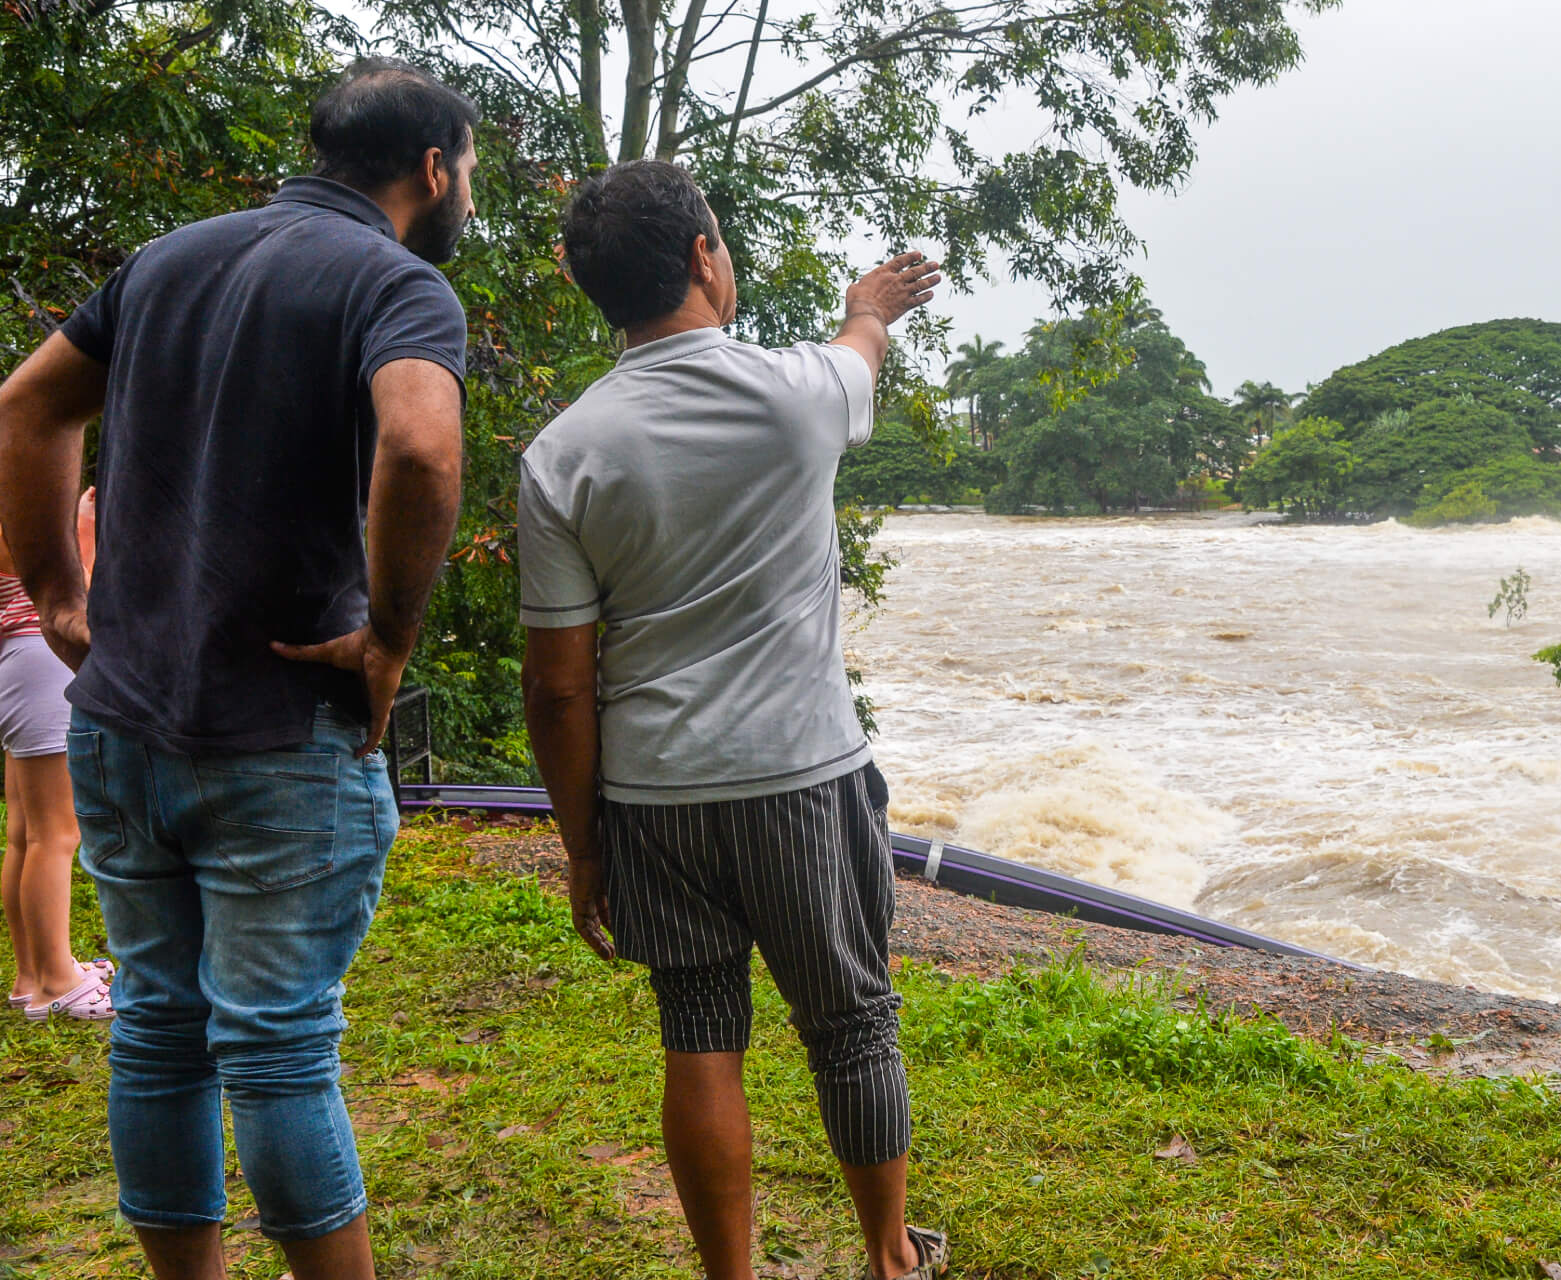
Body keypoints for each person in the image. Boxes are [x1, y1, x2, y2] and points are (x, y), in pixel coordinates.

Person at [0, 58, 472, 1279]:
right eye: (467, 169)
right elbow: (421, 445)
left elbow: (27, 405)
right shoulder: (395, 283)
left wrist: (59, 589)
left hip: (122, 721)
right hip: (281, 733)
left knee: (159, 1027)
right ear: (432, 168)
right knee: (276, 1046)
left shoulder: (168, 260)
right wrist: (388, 640)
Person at [518, 159, 945, 1280]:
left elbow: (559, 683)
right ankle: (891, 1257)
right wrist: (866, 308)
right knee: (851, 1024)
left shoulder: (562, 451)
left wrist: (582, 843)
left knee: (698, 1028)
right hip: (803, 772)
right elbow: (860, 358)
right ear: (706, 254)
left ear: (585, 282)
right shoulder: (796, 392)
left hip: (654, 791)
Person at [2, 486, 106, 1021]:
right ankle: (57, 983)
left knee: (25, 834)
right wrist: (86, 532)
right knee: (56, 834)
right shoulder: (20, 496)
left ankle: (33, 977)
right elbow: (74, 593)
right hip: (40, 654)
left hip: (15, 656)